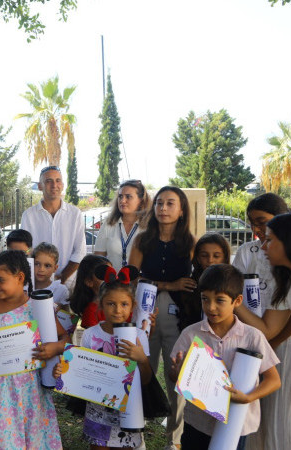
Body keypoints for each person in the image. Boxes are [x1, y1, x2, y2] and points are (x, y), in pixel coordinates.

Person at [231, 211, 291, 449]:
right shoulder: (289, 282)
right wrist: (234, 300)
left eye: (270, 239)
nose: (263, 246)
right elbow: (267, 329)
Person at [170, 264, 281, 449]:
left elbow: (274, 380)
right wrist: (176, 372)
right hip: (198, 422)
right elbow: (175, 375)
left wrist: (248, 397)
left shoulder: (252, 336)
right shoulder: (191, 334)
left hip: (236, 424)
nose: (211, 307)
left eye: (219, 300)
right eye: (205, 299)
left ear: (237, 301)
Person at [0, 250, 66, 448]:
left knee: (32, 435)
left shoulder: (38, 307)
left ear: (20, 278)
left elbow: (64, 338)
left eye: (0, 280)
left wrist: (55, 348)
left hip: (29, 389)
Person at [56, 265, 156, 449]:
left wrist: (141, 359)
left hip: (129, 410)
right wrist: (65, 371)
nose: (118, 310)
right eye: (111, 303)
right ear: (100, 305)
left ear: (132, 306)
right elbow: (81, 372)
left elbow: (147, 379)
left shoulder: (139, 336)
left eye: (124, 304)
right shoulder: (90, 335)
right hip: (98, 410)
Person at [128, 186, 195, 449]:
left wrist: (178, 287)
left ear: (181, 210)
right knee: (142, 369)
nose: (163, 209)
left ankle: (175, 440)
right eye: (159, 203)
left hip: (179, 317)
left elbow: (195, 280)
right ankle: (135, 432)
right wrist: (169, 285)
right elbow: (132, 277)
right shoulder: (142, 240)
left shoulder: (190, 242)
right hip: (145, 313)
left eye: (170, 204)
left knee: (175, 375)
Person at [20, 166, 86, 284]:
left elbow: (80, 252)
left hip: (70, 284)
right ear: (40, 186)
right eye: (48, 181)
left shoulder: (75, 214)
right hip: (38, 284)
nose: (54, 185)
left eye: (58, 180)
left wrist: (62, 277)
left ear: (62, 185)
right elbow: (26, 250)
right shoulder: (28, 216)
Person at [94, 179, 151, 269]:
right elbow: (97, 259)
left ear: (141, 200)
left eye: (128, 197)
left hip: (140, 281)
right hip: (112, 281)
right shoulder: (108, 224)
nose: (122, 201)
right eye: (120, 196)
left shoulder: (149, 226)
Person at [69, 255, 111, 329]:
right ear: (89, 281)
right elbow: (94, 338)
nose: (110, 278)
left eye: (111, 273)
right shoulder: (91, 312)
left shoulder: (117, 303)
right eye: (103, 274)